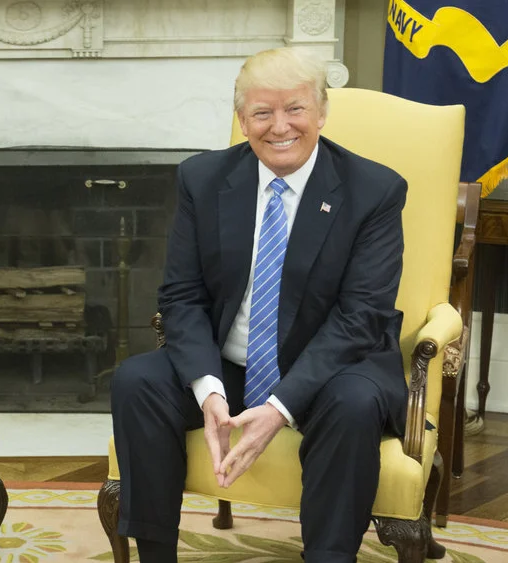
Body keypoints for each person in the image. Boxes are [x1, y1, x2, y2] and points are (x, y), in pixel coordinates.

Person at [111, 47, 408, 563]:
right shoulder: (202, 180)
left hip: (334, 364)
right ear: (242, 119)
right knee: (137, 381)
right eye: (262, 113)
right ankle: (155, 553)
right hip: (231, 363)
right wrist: (207, 389)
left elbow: (361, 317)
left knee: (354, 405)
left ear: (320, 112)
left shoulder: (374, 190)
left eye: (294, 109)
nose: (279, 127)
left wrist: (279, 406)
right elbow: (181, 295)